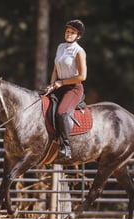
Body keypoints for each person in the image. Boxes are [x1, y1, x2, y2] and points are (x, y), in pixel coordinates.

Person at [49, 19, 87, 160]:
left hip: (73, 88)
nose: (69, 34)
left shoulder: (79, 51)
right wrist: (52, 84)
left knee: (62, 112)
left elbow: (82, 76)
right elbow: (55, 69)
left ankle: (66, 147)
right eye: (67, 31)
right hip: (58, 86)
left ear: (78, 36)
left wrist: (62, 82)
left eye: (72, 32)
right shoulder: (60, 47)